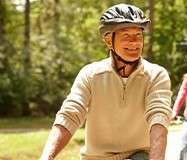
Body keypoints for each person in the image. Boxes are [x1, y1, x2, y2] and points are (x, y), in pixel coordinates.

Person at [39, 3, 172, 160]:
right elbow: (70, 115)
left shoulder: (156, 75)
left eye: (138, 35)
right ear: (109, 41)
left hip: (137, 156)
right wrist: (46, 157)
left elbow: (159, 119)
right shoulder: (90, 74)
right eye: (126, 36)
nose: (135, 43)